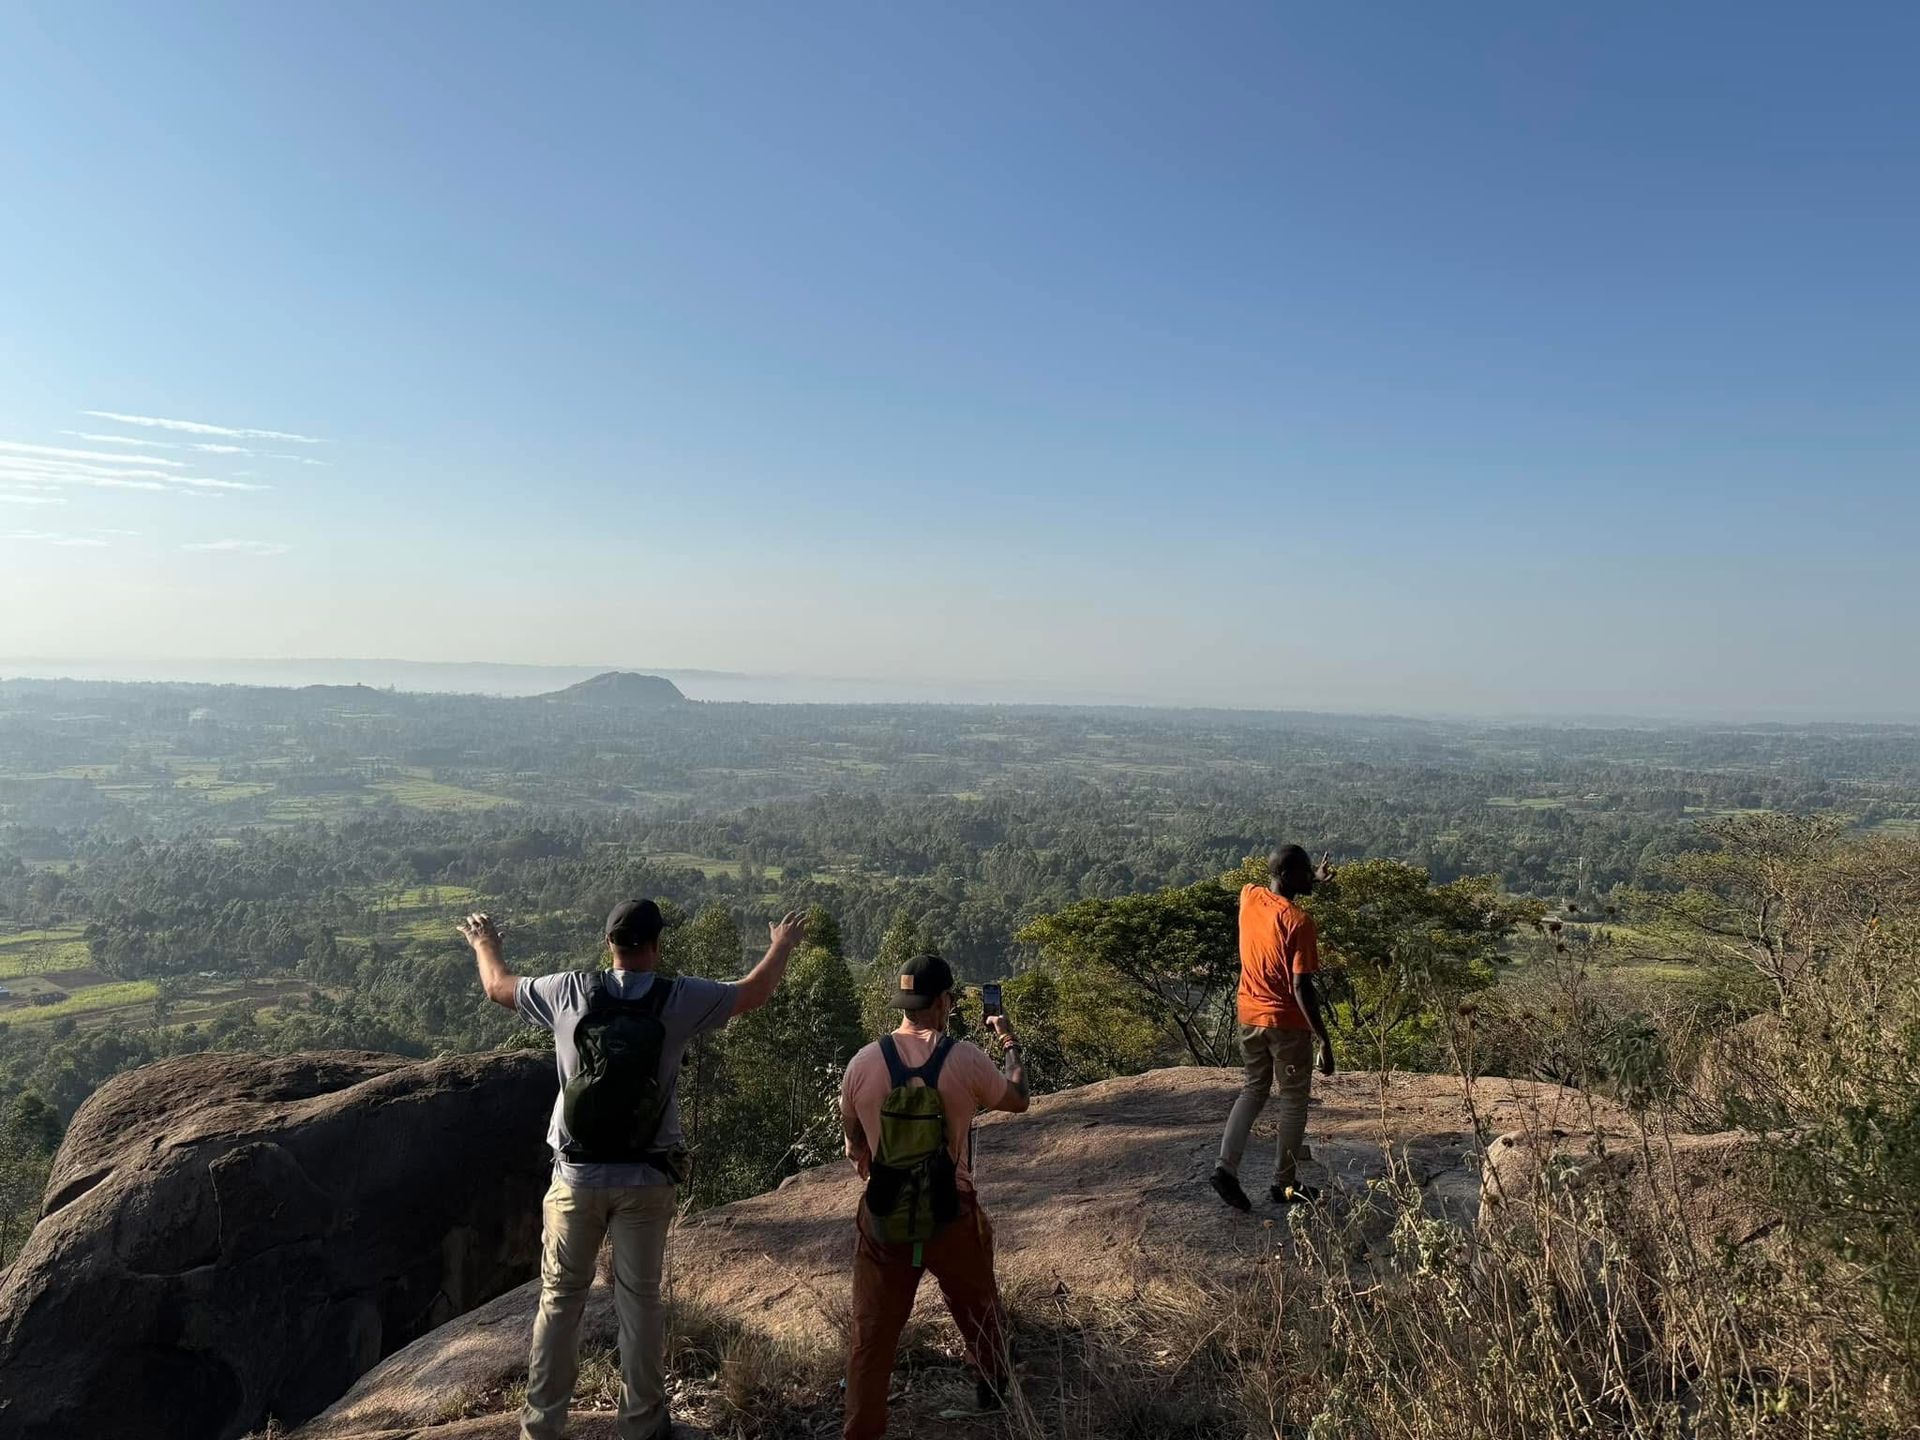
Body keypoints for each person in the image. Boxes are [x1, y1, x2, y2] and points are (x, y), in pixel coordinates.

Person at [461, 900, 809, 1440]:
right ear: (656, 946)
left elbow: (497, 987)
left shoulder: (568, 991)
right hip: (646, 1178)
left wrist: (485, 944)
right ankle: (642, 1422)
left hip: (576, 1177)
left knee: (559, 1299)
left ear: (610, 946)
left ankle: (543, 1425)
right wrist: (782, 943)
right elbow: (753, 993)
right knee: (639, 1300)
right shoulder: (679, 997)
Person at [838, 953, 1028, 1440]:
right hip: (951, 1213)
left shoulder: (862, 1064)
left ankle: (862, 1430)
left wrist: (881, 1169)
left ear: (905, 1003)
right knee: (978, 1304)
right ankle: (991, 1383)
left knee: (871, 1336)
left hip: (885, 1220)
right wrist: (1007, 1040)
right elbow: (1017, 1099)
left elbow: (854, 1145)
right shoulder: (963, 1058)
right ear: (944, 1001)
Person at [1211, 845, 1336, 1211]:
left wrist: (1311, 880)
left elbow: (1277, 888)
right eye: (1306, 870)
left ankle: (1225, 1168)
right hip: (1287, 1024)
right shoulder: (1299, 922)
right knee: (1294, 1100)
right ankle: (1284, 1184)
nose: (1312, 873)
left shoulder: (1249, 896)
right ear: (1289, 876)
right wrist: (1323, 1038)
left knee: (1253, 1090)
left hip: (1249, 1014)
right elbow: (1301, 986)